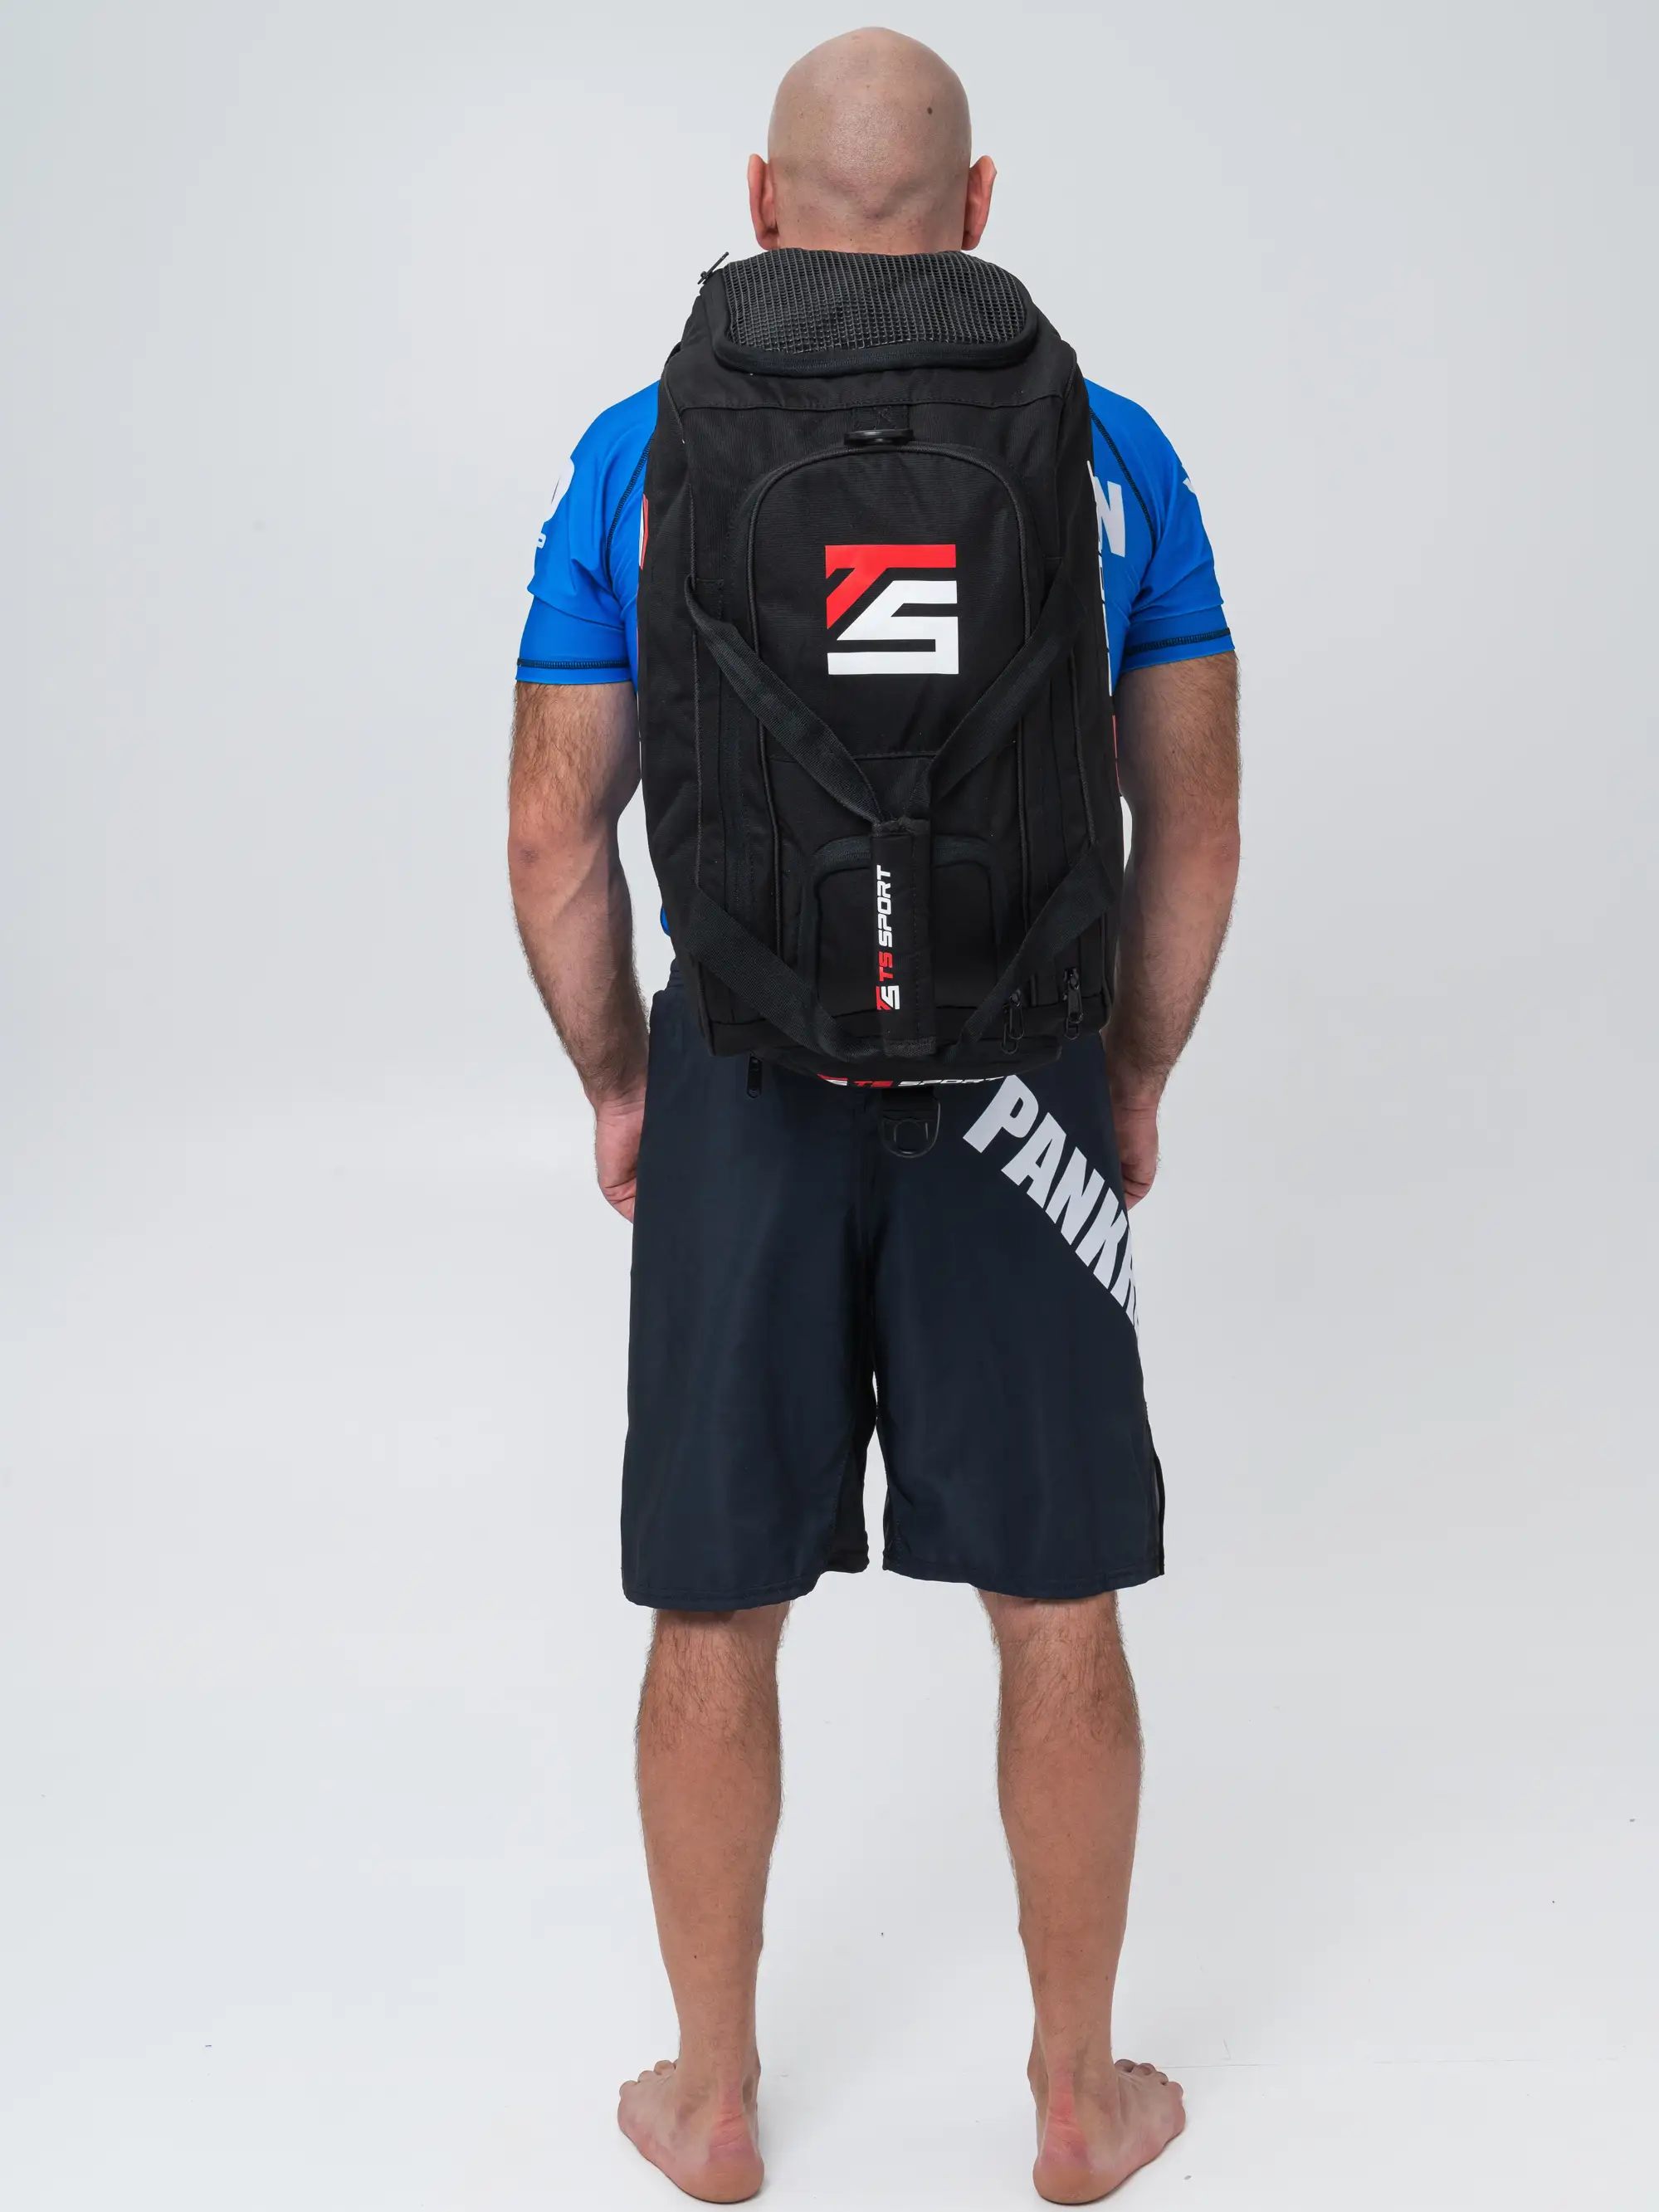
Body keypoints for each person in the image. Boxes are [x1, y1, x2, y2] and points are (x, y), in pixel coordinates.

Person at [507, 27, 1239, 2205]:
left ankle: (713, 2094)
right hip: (1018, 1080)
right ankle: (1077, 2098)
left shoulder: (642, 456)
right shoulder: (1111, 455)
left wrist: (625, 1081)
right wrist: (1122, 1073)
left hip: (742, 1073)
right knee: (1059, 1604)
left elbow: (553, 833)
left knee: (713, 1609)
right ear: (977, 204)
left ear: (760, 200)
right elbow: (1193, 827)